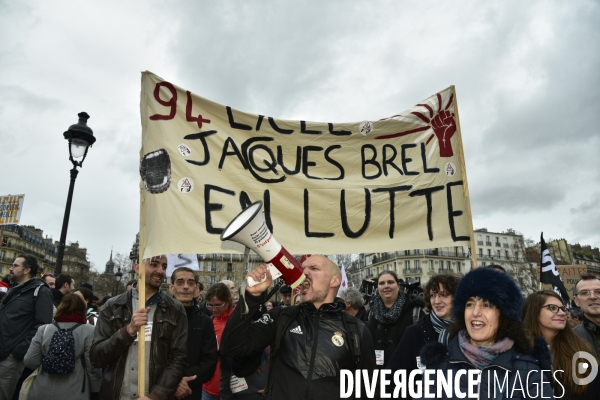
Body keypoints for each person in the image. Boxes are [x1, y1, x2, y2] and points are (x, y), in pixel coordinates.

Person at [221, 255, 377, 399]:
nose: (304, 274)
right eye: (302, 269)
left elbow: (368, 388)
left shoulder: (356, 329)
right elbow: (233, 348)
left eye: (314, 268)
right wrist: (250, 298)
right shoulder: (282, 317)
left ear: (335, 281)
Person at [416, 267, 553, 399]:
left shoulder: (527, 369)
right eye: (470, 304)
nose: (475, 313)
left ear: (504, 315)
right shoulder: (440, 365)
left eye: (486, 305)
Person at [90, 255, 188, 400]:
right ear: (137, 268)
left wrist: (156, 395)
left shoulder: (176, 309)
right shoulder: (112, 306)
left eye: (164, 266)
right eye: (154, 264)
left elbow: (179, 358)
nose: (160, 271)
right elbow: (96, 357)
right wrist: (127, 331)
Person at [388, 271, 460, 390]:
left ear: (456, 297)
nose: (436, 301)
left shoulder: (468, 330)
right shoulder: (415, 331)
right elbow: (393, 377)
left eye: (443, 294)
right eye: (433, 295)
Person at [23, 293, 101, 400]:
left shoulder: (44, 329)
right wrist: (95, 390)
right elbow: (92, 368)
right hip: (75, 392)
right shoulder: (89, 331)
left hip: (41, 390)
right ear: (83, 309)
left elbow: (30, 361)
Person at [523, 290, 599, 399]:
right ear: (534, 311)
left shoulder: (580, 349)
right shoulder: (518, 352)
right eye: (552, 308)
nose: (562, 313)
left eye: (563, 309)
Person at [0, 255, 53, 400]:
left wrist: (16, 353)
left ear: (26, 270)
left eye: (15, 266)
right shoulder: (15, 289)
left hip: (10, 358)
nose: (11, 268)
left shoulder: (40, 291)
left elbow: (43, 326)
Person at [168, 267, 218, 400]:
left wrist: (185, 381)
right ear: (171, 287)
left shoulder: (205, 321)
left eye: (190, 283)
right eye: (180, 282)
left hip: (190, 391)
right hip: (160, 390)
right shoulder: (158, 317)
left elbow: (209, 360)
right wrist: (173, 382)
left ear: (196, 289)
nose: (185, 287)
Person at [366, 270, 425, 368]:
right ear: (378, 288)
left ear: (398, 285)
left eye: (390, 282)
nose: (386, 286)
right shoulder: (371, 313)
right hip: (379, 377)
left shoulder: (415, 312)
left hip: (406, 377)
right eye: (381, 283)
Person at [201, 283, 235, 400]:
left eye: (218, 305)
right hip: (209, 387)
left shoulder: (239, 320)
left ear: (228, 301)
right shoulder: (207, 322)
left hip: (234, 388)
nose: (214, 309)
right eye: (210, 305)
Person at [573, 273, 600, 358]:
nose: (593, 297)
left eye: (598, 292)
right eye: (585, 293)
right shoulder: (570, 339)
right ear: (576, 301)